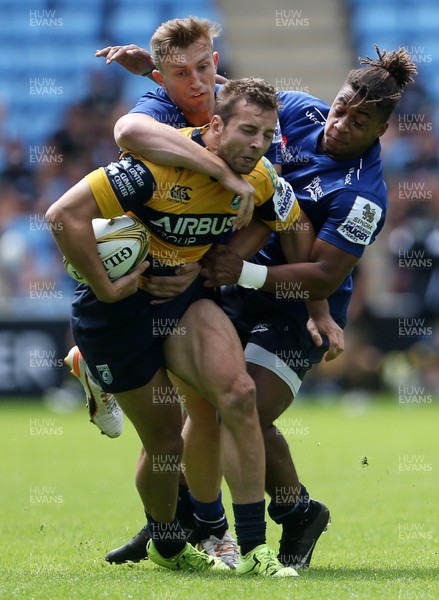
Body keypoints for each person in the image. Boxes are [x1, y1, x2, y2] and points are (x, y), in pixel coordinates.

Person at [94, 41, 417, 569]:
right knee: (197, 410)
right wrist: (158, 77)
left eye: (359, 122)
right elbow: (226, 102)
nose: (339, 124)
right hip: (234, 286)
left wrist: (243, 271)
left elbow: (324, 272)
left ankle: (294, 513)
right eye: (341, 107)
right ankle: (171, 525)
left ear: (380, 132)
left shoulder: (363, 197)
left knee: (237, 411)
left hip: (296, 308)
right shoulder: (299, 110)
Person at [47, 76, 306, 577]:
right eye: (248, 131)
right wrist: (106, 285)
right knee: (165, 445)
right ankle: (166, 543)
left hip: (185, 303)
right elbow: (62, 216)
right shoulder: (154, 169)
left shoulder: (261, 177)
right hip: (116, 313)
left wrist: (222, 258)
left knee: (237, 394)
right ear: (214, 125)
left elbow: (281, 221)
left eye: (268, 135)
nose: (258, 144)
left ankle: (254, 551)